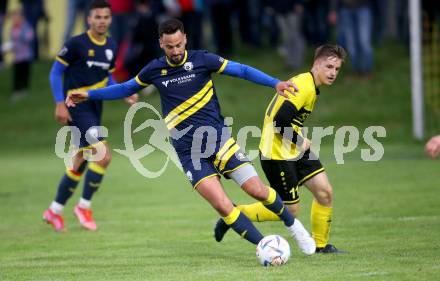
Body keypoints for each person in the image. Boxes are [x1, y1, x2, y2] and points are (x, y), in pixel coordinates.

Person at [66, 18, 316, 255]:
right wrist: (88, 95)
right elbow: (124, 88)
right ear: (161, 44)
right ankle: (265, 246)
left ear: (185, 39)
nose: (175, 51)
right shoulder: (154, 69)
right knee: (222, 205)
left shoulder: (202, 60)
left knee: (258, 190)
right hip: (189, 152)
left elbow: (240, 70)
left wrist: (274, 83)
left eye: (178, 44)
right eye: (169, 46)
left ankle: (295, 227)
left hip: (219, 141)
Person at [213, 44, 347, 254]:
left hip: (293, 148)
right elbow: (280, 120)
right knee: (290, 210)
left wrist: (298, 141)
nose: (333, 73)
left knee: (324, 192)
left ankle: (321, 246)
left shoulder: (310, 85)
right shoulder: (304, 85)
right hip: (276, 154)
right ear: (316, 64)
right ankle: (235, 213)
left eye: (337, 69)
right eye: (329, 67)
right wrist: (301, 141)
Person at [43, 0, 138, 232]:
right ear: (89, 19)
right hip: (75, 106)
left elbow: (108, 78)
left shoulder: (111, 46)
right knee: (103, 155)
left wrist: (124, 93)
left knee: (80, 160)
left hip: (94, 108)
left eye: (106, 17)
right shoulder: (76, 44)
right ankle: (83, 207)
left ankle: (54, 210)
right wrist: (59, 104)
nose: (102, 21)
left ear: (110, 19)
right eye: (97, 17)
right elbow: (55, 72)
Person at [7, 9, 34, 101]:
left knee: (25, 74)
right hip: (17, 57)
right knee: (16, 74)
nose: (15, 20)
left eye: (17, 18)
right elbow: (12, 41)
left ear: (22, 18)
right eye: (13, 18)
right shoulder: (13, 29)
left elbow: (29, 38)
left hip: (26, 56)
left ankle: (24, 89)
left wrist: (21, 35)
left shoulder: (26, 27)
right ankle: (16, 90)